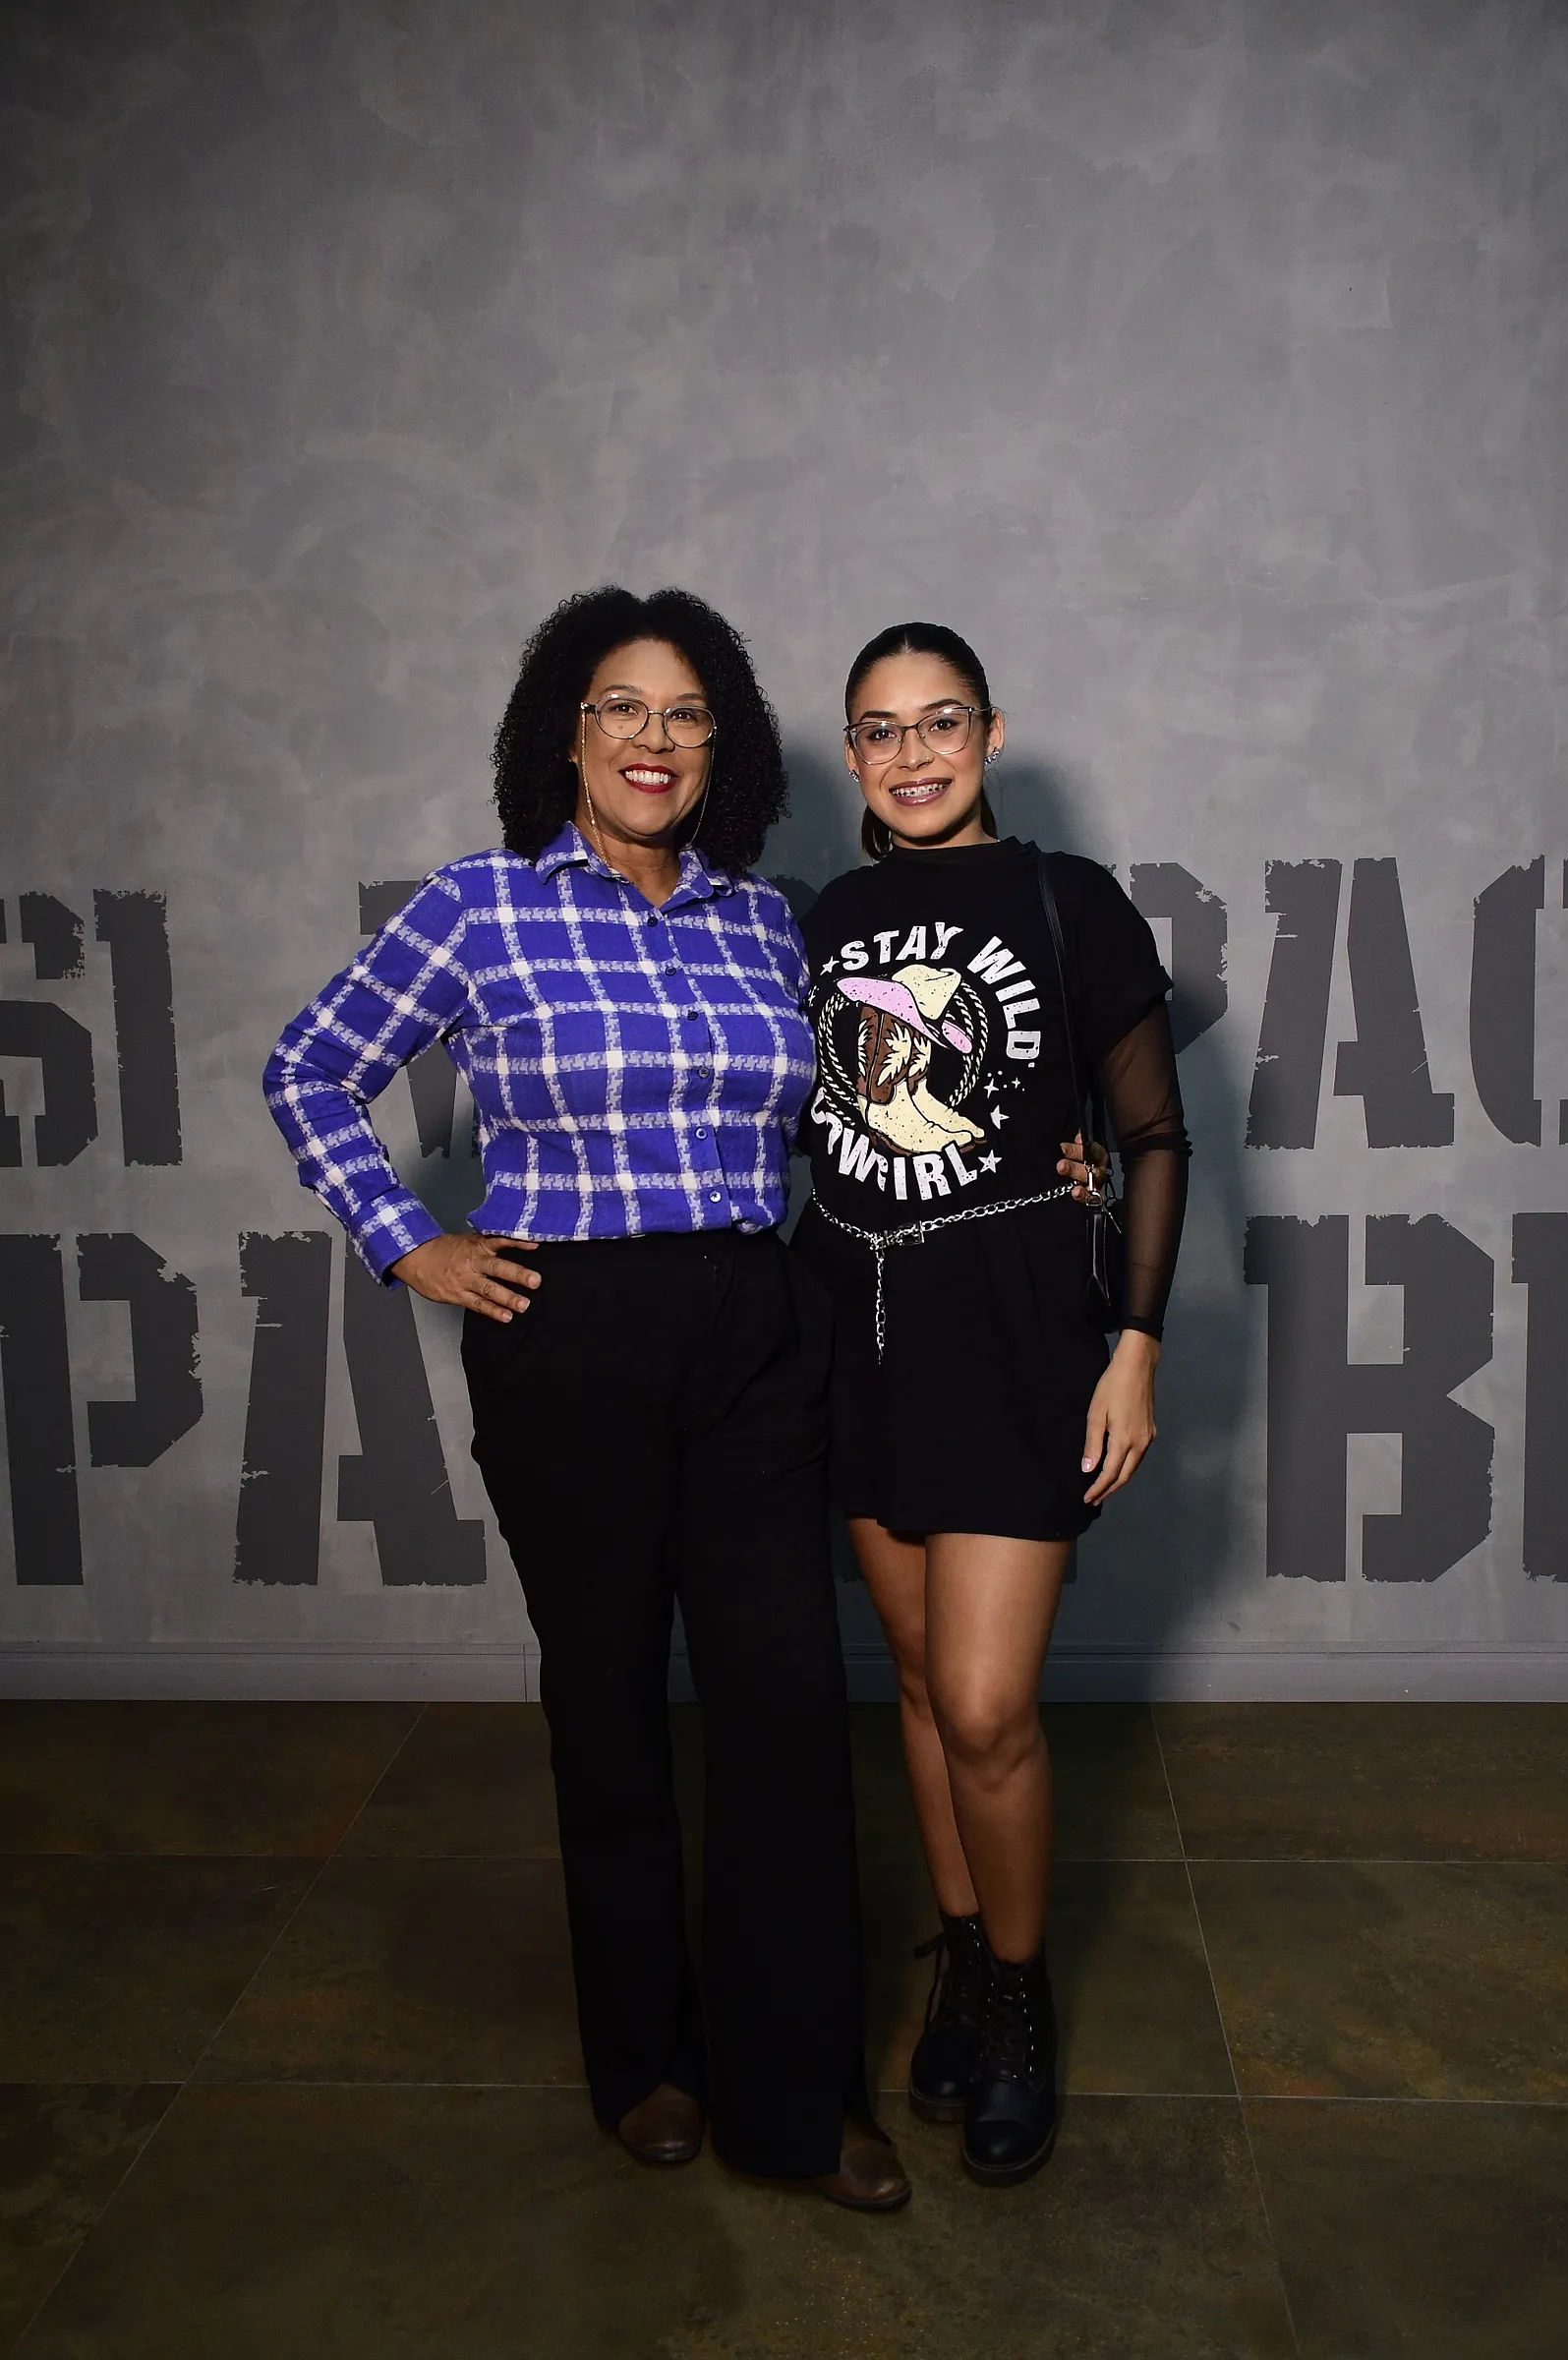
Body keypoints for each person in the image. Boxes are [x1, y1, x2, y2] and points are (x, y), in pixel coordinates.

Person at [263, 587, 909, 2211]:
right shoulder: (481, 905)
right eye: (622, 706)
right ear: (565, 732)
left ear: (721, 747)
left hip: (755, 1327)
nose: (653, 739)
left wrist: (1044, 1155)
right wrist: (407, 1238)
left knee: (783, 1707)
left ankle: (800, 2091)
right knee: (609, 1702)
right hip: (571, 1334)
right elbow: (309, 1066)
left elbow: (870, 1112)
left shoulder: (768, 923)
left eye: (685, 713)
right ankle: (648, 2065)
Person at [791, 621, 1190, 2186]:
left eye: (940, 722)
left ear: (992, 732)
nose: (913, 755)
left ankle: (1018, 1998)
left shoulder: (1066, 899)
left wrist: (1134, 1344)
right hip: (858, 1328)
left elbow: (1152, 1135)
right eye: (882, 731)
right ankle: (959, 1955)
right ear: (853, 755)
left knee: (982, 1704)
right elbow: (812, 1116)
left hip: (1020, 1339)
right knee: (908, 1675)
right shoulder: (826, 919)